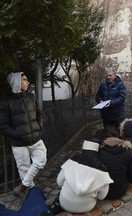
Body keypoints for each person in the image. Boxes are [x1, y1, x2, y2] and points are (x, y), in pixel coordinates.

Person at [0, 72, 47, 201]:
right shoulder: (6, 103)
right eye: (25, 80)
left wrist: (39, 126)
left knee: (41, 160)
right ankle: (33, 195)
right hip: (19, 143)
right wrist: (18, 134)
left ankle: (22, 187)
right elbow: (3, 125)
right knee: (24, 170)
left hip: (36, 139)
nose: (27, 82)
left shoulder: (31, 97)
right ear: (16, 82)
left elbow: (39, 114)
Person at [49, 138, 113, 214]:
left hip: (65, 203)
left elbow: (59, 182)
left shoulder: (70, 162)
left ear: (84, 147)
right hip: (86, 207)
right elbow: (101, 196)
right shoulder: (103, 172)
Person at [99, 126, 132, 200]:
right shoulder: (127, 150)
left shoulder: (99, 152)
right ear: (118, 137)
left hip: (103, 193)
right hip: (121, 190)